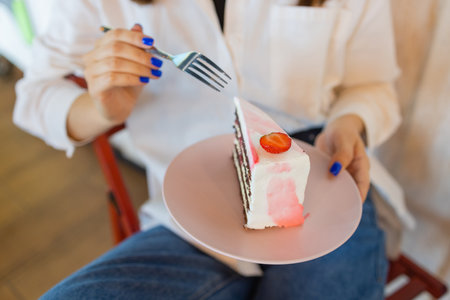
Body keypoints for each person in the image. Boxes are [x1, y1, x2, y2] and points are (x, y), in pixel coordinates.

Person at [13, 0, 409, 299]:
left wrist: (349, 122)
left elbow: (371, 83)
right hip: (187, 219)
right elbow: (35, 97)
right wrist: (101, 108)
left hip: (315, 190)